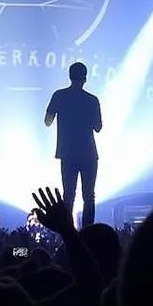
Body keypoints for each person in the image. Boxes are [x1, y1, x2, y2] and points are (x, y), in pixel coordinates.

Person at [44, 62, 101, 227]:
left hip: (67, 153)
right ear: (85, 78)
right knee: (89, 196)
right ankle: (88, 231)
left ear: (70, 76)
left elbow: (47, 122)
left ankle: (67, 231)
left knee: (68, 195)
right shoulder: (92, 100)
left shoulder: (59, 96)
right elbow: (98, 127)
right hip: (88, 153)